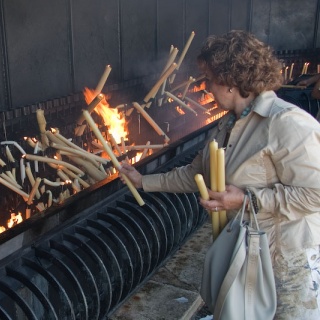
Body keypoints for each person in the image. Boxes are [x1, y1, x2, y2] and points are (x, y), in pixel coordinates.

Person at [120, 30, 320, 319]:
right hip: (247, 251)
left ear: (231, 82)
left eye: (210, 79)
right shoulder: (227, 125)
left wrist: (247, 200)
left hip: (287, 260)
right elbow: (196, 174)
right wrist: (142, 181)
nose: (207, 87)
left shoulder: (286, 122)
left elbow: (315, 193)